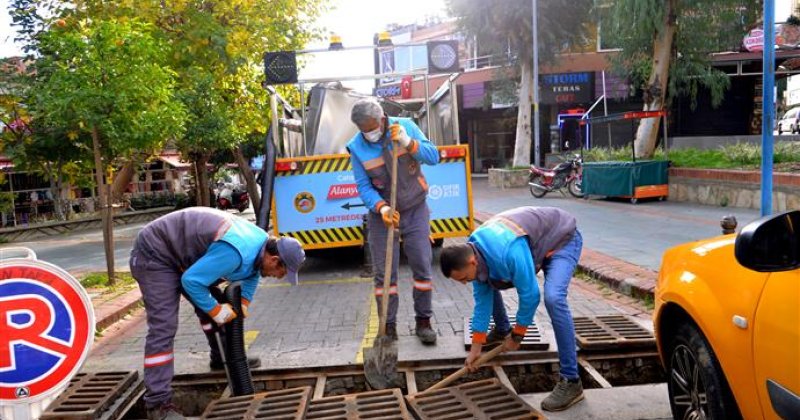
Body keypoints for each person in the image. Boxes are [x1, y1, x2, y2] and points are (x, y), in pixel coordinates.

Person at [130, 207, 305, 420]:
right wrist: (216, 310)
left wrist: (243, 303)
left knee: (219, 306)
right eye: (281, 272)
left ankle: (221, 356)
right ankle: (158, 405)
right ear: (275, 259)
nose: (279, 277)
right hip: (155, 253)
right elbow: (192, 281)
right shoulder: (235, 252)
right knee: (164, 326)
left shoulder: (261, 244)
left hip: (184, 258)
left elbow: (252, 275)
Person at [439, 206, 584, 412]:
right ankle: (501, 330)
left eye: (463, 278)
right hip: (532, 244)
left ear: (472, 262)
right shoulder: (475, 251)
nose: (464, 283)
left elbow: (530, 295)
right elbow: (482, 304)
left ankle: (571, 380)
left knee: (553, 298)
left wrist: (518, 335)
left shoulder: (508, 251)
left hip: (562, 240)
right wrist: (476, 349)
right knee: (487, 282)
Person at [347, 98, 440, 344]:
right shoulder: (357, 147)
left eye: (372, 128)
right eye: (364, 130)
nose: (369, 134)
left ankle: (424, 322)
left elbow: (434, 156)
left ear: (381, 119)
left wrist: (408, 143)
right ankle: (388, 326)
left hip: (415, 208)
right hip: (382, 216)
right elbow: (363, 186)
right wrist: (382, 207)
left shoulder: (405, 126)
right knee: (384, 274)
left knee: (421, 264)